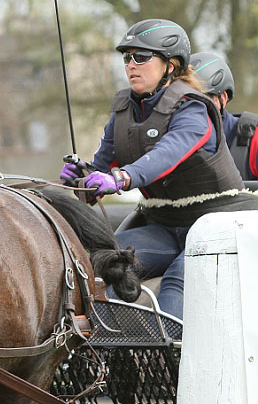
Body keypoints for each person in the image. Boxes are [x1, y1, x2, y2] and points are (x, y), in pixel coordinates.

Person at [60, 19, 258, 319]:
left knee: (180, 281)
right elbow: (102, 165)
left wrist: (122, 178)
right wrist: (84, 180)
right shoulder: (124, 109)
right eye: (127, 58)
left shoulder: (194, 108)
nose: (131, 66)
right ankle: (102, 353)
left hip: (215, 224)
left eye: (141, 57)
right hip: (164, 224)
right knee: (103, 265)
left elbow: (168, 154)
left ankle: (167, 359)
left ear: (171, 64)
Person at [189, 52, 258, 186]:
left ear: (222, 99)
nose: (190, 109)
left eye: (200, 100)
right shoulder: (168, 140)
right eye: (182, 102)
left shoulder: (253, 138)